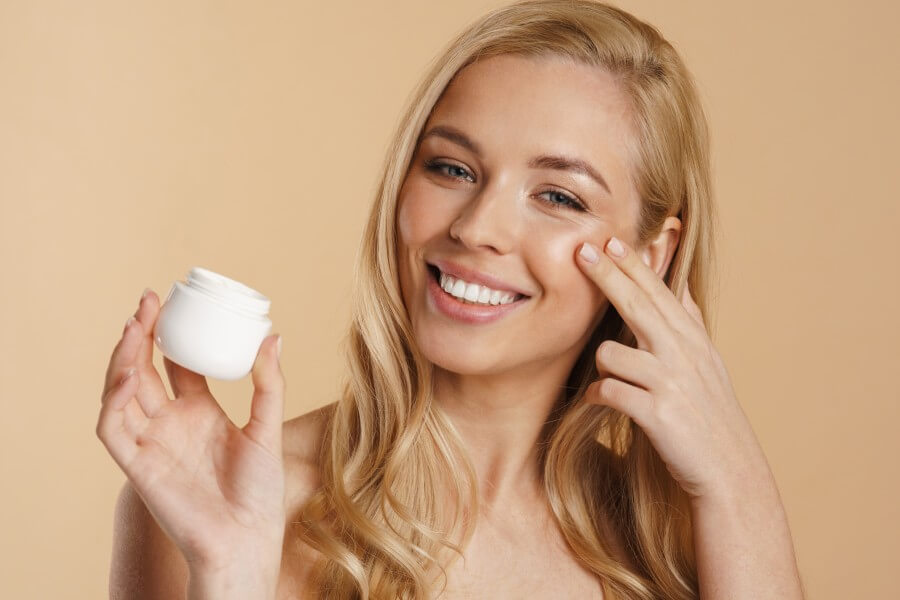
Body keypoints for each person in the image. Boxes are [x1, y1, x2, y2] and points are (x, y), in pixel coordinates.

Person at [96, 1, 805, 598]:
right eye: (452, 167)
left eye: (558, 196)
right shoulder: (222, 500)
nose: (475, 227)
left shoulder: (688, 540)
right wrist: (228, 576)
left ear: (652, 257)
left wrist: (740, 487)